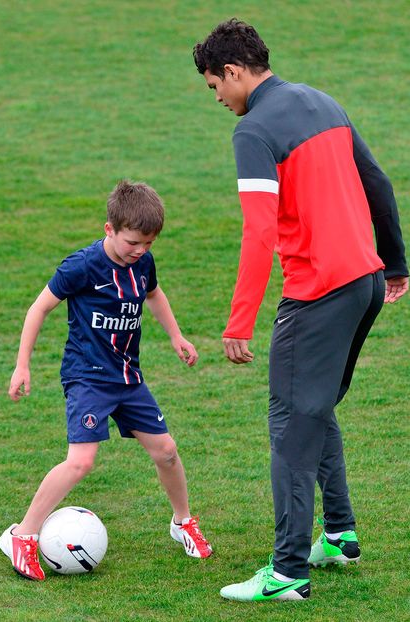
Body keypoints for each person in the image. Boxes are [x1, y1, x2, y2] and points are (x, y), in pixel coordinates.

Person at [193, 18, 408, 602]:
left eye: (215, 87)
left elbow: (259, 233)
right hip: (364, 283)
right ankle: (338, 535)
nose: (219, 99)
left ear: (233, 72)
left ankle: (287, 571)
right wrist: (394, 262)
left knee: (290, 424)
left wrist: (239, 322)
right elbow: (378, 183)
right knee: (313, 409)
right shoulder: (323, 102)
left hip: (317, 295)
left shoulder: (255, 130)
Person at [0, 180, 212, 581]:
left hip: (128, 377)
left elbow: (153, 295)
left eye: (148, 244)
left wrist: (176, 335)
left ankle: (182, 522)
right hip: (87, 377)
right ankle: (23, 535)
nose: (140, 251)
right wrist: (22, 365)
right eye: (133, 242)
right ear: (109, 228)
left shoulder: (143, 263)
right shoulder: (81, 266)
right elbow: (38, 309)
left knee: (166, 450)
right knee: (81, 461)